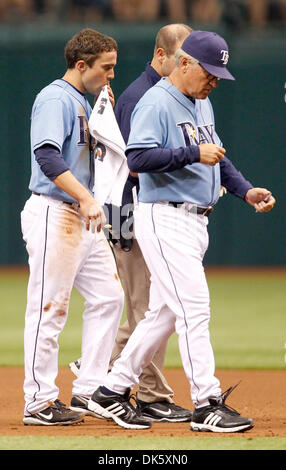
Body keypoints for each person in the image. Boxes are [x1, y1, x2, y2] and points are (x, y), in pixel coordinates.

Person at [86, 30, 276, 432]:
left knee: (164, 314)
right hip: (165, 216)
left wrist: (245, 191)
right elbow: (137, 159)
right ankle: (207, 403)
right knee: (194, 310)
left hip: (194, 219)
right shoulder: (155, 102)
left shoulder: (199, 102)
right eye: (208, 72)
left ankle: (112, 390)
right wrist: (193, 153)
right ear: (184, 62)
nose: (213, 82)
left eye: (218, 75)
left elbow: (218, 157)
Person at [70, 24, 194, 423]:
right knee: (146, 308)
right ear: (161, 56)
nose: (187, 67)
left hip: (143, 212)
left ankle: (98, 363)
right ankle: (151, 393)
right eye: (181, 60)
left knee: (157, 307)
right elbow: (132, 166)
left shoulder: (167, 95)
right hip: (130, 211)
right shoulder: (142, 96)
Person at [20, 28, 133, 427]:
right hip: (57, 211)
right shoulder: (55, 97)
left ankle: (88, 388)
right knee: (49, 307)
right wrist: (85, 198)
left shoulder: (84, 101)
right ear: (81, 64)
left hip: (83, 214)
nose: (111, 74)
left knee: (108, 298)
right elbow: (47, 156)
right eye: (107, 67)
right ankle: (38, 400)